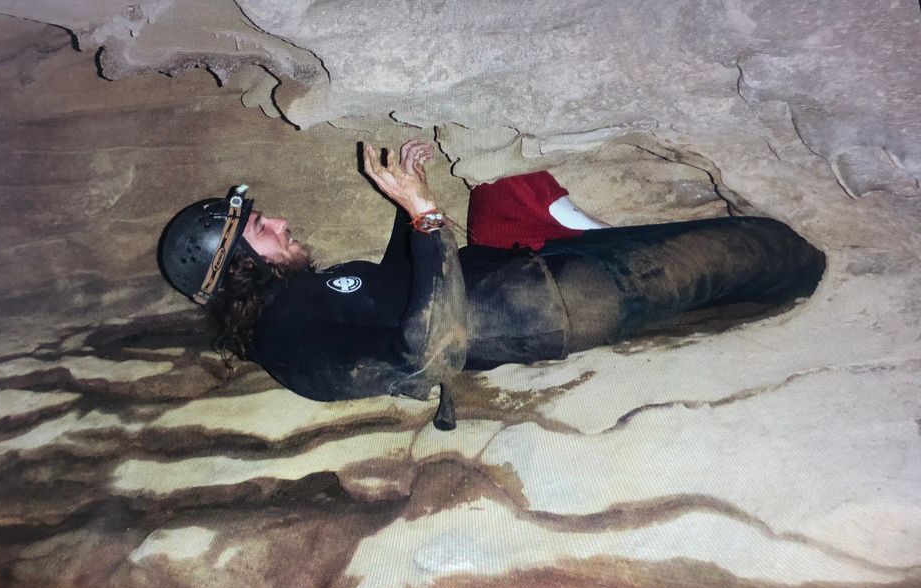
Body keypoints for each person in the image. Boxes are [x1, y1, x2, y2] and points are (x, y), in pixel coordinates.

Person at [158, 140, 825, 428]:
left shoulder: (298, 298)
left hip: (510, 262)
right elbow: (430, 355)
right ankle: (788, 277)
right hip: (552, 303)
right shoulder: (292, 342)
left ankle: (603, 233)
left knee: (504, 187)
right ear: (238, 265)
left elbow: (399, 283)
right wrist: (424, 218)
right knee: (763, 247)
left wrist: (408, 203)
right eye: (261, 228)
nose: (279, 221)